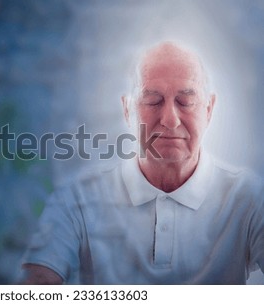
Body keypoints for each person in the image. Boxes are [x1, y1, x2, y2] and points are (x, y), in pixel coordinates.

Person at [21, 41, 264, 284]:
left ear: (209, 109)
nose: (170, 120)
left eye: (186, 101)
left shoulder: (250, 198)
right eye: (153, 101)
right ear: (128, 110)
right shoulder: (78, 199)